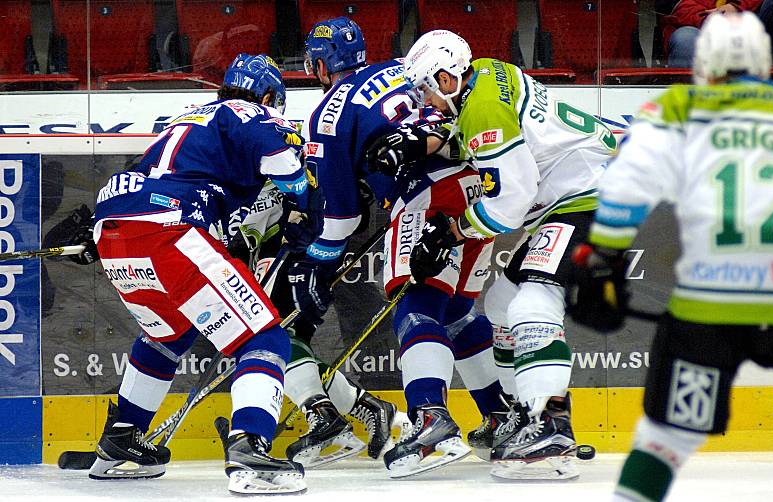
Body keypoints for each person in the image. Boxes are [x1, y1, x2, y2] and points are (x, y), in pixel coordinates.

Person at [570, 11, 773, 501]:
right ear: (765, 64)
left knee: (667, 437)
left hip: (711, 302)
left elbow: (628, 183)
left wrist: (602, 256)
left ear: (705, 64)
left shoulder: (681, 107)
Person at [372, 29, 616, 480]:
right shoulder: (486, 76)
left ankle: (549, 426)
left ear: (446, 78)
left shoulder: (481, 104)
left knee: (532, 301)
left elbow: (511, 199)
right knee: (503, 302)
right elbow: (479, 140)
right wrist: (430, 142)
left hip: (590, 196)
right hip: (582, 192)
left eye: (427, 89)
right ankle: (522, 415)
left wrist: (451, 230)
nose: (426, 101)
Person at [83, 53, 317, 495]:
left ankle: (120, 441)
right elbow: (285, 166)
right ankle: (250, 445)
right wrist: (307, 198)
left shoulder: (187, 118)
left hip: (115, 228)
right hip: (169, 227)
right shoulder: (249, 110)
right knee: (264, 338)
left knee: (168, 335)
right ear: (268, 96)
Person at [289, 17, 504, 477]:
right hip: (477, 187)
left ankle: (431, 421)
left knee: (417, 307)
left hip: (427, 195)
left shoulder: (327, 112)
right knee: (457, 311)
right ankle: (502, 417)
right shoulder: (398, 67)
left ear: (322, 64)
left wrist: (319, 262)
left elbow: (343, 216)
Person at [664, 0, 773, 67]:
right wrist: (711, 19)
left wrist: (736, 6)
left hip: (752, 24)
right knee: (685, 39)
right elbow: (677, 7)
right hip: (703, 28)